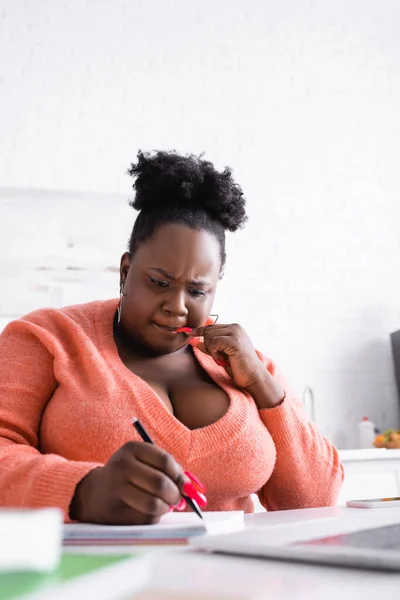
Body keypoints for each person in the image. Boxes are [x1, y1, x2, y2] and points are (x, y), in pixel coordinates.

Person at [0, 151, 343, 524]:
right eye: (159, 283)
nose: (177, 307)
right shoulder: (47, 337)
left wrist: (262, 384)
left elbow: (318, 501)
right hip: (100, 578)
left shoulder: (248, 366)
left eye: (197, 291)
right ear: (126, 270)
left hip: (240, 578)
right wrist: (84, 490)